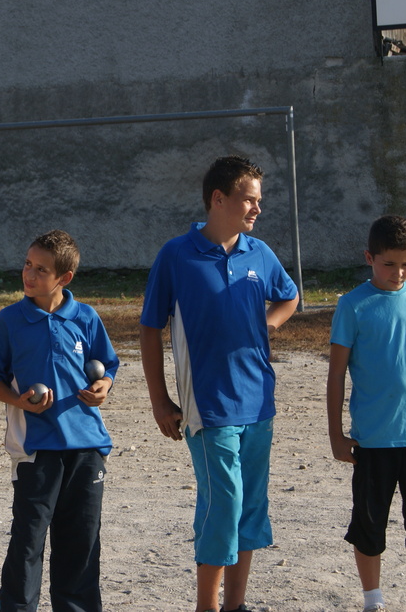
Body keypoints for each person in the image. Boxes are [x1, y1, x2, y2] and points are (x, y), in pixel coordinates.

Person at [139, 155, 299, 612]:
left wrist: (266, 324)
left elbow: (289, 297)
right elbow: (150, 327)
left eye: (259, 201)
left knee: (249, 507)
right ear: (218, 198)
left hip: (258, 403)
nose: (256, 209)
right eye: (249, 199)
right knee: (223, 506)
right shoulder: (177, 255)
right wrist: (159, 400)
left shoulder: (259, 253)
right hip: (207, 407)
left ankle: (236, 605)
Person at [0, 229, 118, 612]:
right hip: (36, 448)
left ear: (64, 278)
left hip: (87, 446)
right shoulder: (11, 320)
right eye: (28, 264)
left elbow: (108, 365)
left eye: (41, 269)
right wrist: (19, 402)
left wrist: (103, 384)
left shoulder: (85, 317)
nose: (30, 274)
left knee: (81, 542)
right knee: (28, 542)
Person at [326, 215, 406, 612]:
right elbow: (336, 374)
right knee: (369, 523)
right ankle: (372, 601)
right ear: (370, 257)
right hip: (373, 438)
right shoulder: (352, 305)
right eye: (389, 264)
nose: (398, 273)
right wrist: (336, 434)